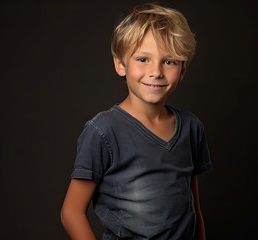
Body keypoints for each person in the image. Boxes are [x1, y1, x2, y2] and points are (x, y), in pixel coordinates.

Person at [60, 2, 212, 239]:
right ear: (120, 64)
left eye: (169, 61)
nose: (156, 71)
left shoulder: (191, 128)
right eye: (143, 59)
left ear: (182, 70)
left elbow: (193, 208)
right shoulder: (103, 132)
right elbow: (71, 212)